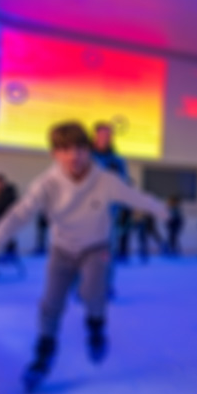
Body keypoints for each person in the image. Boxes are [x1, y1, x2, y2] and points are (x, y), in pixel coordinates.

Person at [0, 122, 167, 392]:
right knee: (51, 304)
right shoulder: (47, 183)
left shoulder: (106, 177)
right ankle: (42, 356)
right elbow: (19, 214)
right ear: (54, 153)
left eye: (79, 149)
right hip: (62, 250)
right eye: (65, 150)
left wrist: (163, 211)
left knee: (93, 292)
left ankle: (96, 328)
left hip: (96, 246)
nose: (73, 156)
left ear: (88, 150)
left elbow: (133, 196)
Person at [92, 122, 130, 290]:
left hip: (108, 212)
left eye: (108, 135)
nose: (105, 138)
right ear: (95, 136)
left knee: (106, 251)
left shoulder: (118, 160)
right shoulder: (84, 156)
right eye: (101, 134)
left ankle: (106, 284)